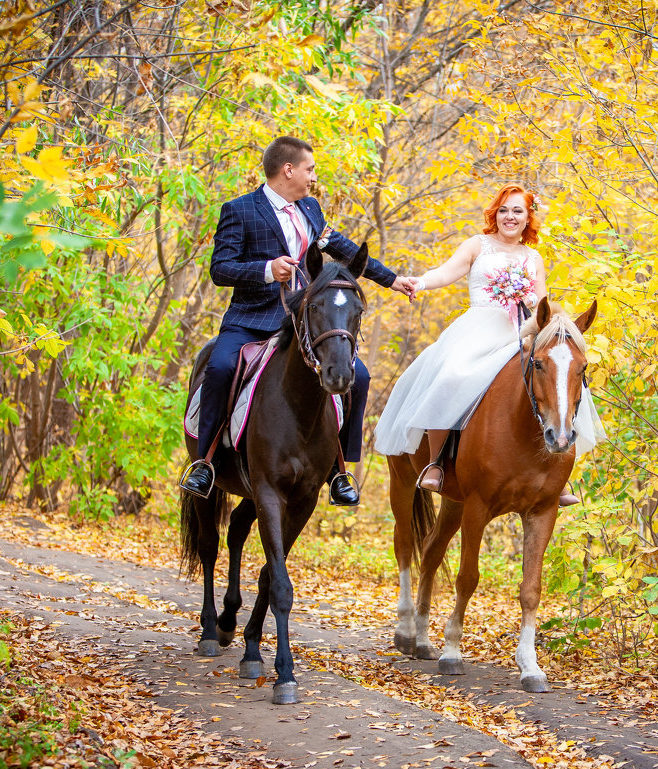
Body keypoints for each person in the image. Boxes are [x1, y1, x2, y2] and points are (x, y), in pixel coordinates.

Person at [180, 136, 417, 503]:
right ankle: (205, 462)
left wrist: (392, 279)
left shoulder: (310, 209)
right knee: (221, 367)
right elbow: (220, 268)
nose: (313, 178)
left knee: (361, 377)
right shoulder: (240, 210)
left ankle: (340, 472)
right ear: (288, 170)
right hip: (251, 319)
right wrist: (265, 269)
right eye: (310, 170)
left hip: (306, 323)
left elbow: (344, 249)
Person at [373, 184, 604, 505]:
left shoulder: (532, 257)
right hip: (478, 328)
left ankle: (557, 471)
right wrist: (420, 282)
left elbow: (540, 300)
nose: (510, 217)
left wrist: (554, 326)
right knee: (451, 374)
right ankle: (436, 461)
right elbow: (447, 272)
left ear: (528, 219)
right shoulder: (477, 245)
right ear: (495, 213)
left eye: (517, 211)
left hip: (520, 331)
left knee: (560, 380)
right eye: (504, 210)